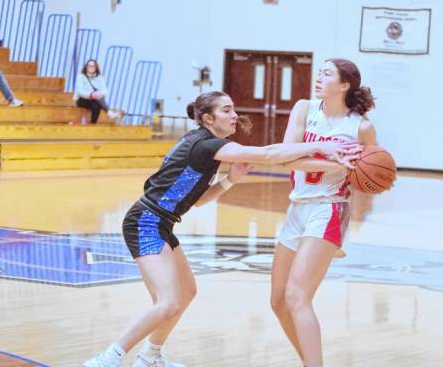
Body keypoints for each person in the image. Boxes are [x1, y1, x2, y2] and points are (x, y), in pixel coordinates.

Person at [83, 90, 362, 367]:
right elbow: (268, 153)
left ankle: (150, 357)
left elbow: (197, 200)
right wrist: (320, 147)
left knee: (186, 292)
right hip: (145, 222)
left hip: (160, 223)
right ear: (208, 118)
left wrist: (230, 180)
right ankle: (108, 359)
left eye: (233, 109)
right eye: (226, 110)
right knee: (167, 302)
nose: (234, 115)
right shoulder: (206, 146)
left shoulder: (205, 146)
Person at [270, 58, 377, 367]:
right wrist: (334, 161)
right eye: (320, 72)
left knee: (297, 297)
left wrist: (360, 172)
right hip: (296, 208)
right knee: (278, 301)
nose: (318, 78)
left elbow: (369, 175)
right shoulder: (304, 109)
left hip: (329, 208)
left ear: (344, 85)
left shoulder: (361, 128)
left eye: (327, 74)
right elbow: (286, 160)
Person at [74, 59, 119, 123]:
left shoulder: (100, 77)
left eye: (93, 66)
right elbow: (80, 91)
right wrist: (91, 95)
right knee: (97, 100)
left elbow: (104, 90)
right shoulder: (81, 76)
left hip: (95, 100)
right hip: (82, 99)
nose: (91, 68)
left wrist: (98, 94)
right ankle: (109, 112)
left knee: (97, 104)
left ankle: (93, 123)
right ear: (86, 67)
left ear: (96, 67)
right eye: (89, 66)